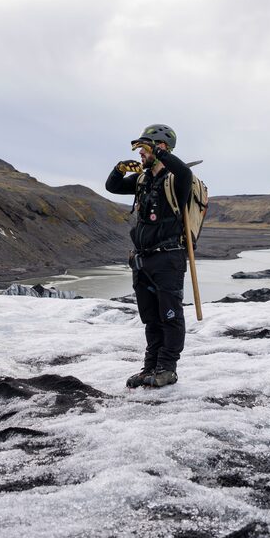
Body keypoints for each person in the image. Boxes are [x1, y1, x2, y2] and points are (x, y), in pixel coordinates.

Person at [105, 124, 193, 389]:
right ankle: (150, 366)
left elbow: (184, 171)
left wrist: (160, 155)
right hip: (143, 260)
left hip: (168, 258)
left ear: (161, 147)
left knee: (169, 315)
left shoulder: (177, 180)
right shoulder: (143, 180)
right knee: (150, 317)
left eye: (145, 149)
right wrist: (119, 168)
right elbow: (112, 187)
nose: (140, 154)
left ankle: (168, 368)